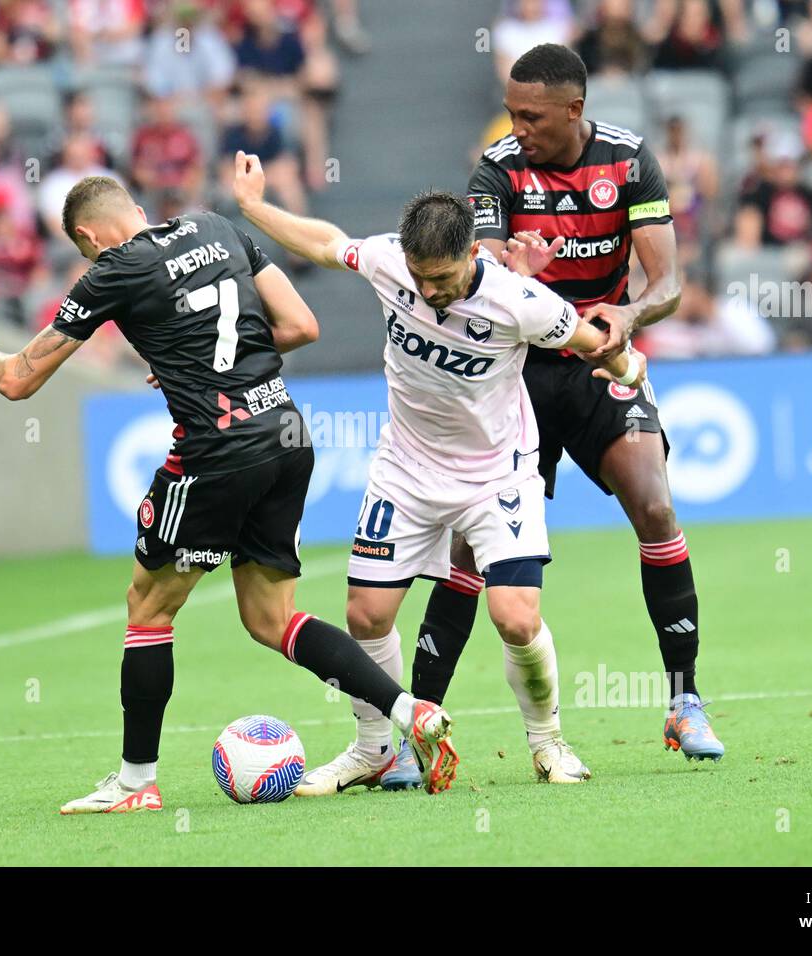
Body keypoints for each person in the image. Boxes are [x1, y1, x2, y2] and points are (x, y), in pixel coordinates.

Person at [0, 174, 461, 812]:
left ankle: (136, 783)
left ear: (87, 237)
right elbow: (301, 324)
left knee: (149, 606)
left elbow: (19, 380)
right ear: (136, 207)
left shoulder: (113, 269)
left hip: (217, 452)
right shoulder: (216, 227)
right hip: (286, 431)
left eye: (85, 251)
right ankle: (408, 711)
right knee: (271, 621)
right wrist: (214, 365)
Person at [233, 150, 646, 793]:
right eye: (421, 278)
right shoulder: (390, 262)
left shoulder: (521, 301)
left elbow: (592, 341)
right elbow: (327, 243)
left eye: (443, 278)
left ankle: (548, 743)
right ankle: (374, 750)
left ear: (473, 254)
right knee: (365, 615)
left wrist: (631, 371)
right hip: (405, 470)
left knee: (515, 617)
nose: (430, 292)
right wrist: (257, 208)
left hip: (497, 477)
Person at [407, 43, 723, 783]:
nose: (518, 127)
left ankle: (684, 700)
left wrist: (630, 313)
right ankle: (416, 724)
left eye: (532, 116)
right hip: (516, 377)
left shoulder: (629, 159)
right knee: (466, 554)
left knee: (656, 508)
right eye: (513, 112)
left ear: (574, 110)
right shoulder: (498, 167)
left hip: (597, 365)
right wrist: (516, 274)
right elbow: (477, 272)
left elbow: (668, 280)